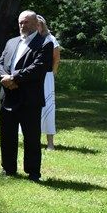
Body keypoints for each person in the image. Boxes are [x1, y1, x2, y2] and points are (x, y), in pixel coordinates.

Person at [0, 10, 53, 181]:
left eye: (26, 22)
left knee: (32, 137)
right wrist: (5, 78)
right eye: (20, 22)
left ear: (36, 24)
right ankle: (8, 168)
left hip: (29, 98)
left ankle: (33, 172)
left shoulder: (44, 43)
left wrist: (14, 77)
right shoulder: (11, 42)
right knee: (7, 135)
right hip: (8, 95)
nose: (22, 25)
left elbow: (38, 67)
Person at [37, 15, 61, 150]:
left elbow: (56, 59)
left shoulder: (50, 39)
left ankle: (50, 142)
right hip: (32, 77)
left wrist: (52, 74)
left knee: (48, 107)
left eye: (38, 25)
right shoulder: (29, 39)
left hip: (46, 77)